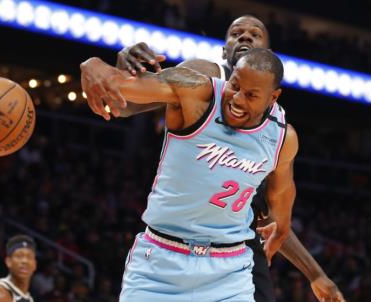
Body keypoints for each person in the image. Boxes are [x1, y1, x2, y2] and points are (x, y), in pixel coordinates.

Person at [80, 15, 345, 302]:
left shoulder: (282, 136)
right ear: (224, 53)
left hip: (229, 266)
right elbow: (122, 98)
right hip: (162, 259)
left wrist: (313, 271)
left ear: (272, 94)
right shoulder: (197, 83)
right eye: (236, 33)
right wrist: (95, 65)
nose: (245, 37)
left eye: (255, 33)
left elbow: (278, 218)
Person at [0, 235, 37, 302]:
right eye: (19, 256)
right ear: (8, 262)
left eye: (29, 257)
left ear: (34, 265)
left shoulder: (28, 298)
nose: (24, 261)